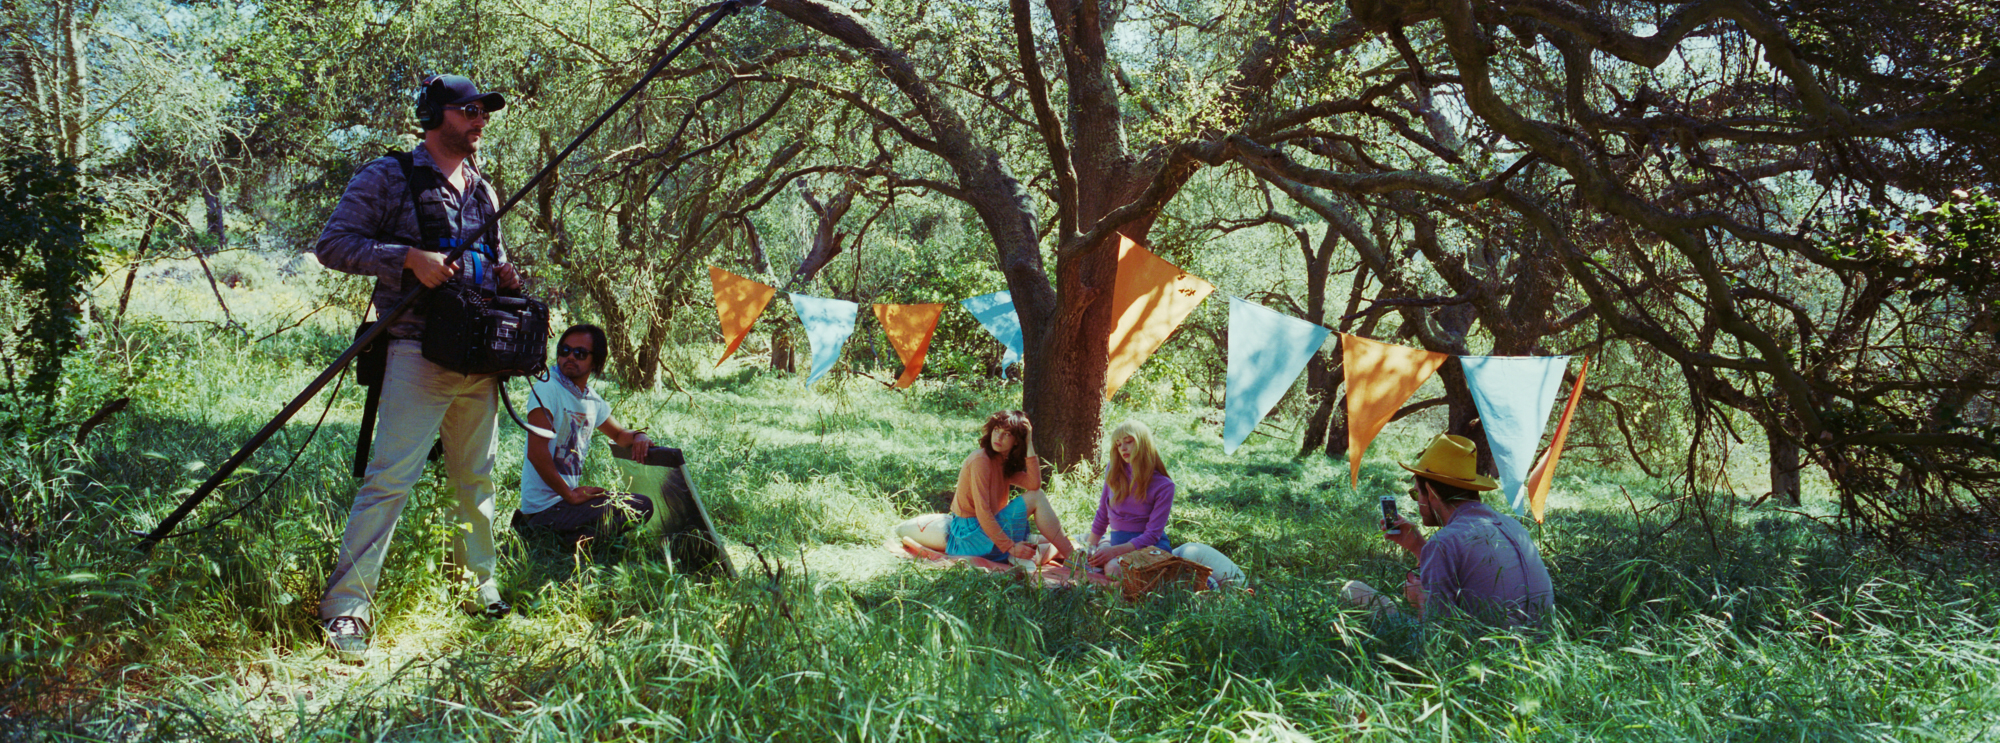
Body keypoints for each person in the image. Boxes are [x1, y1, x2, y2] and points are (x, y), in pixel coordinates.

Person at [313, 74, 521, 662]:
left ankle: (476, 587)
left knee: (476, 479)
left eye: (484, 111)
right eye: (469, 110)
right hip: (415, 351)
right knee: (390, 480)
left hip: (480, 358)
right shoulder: (388, 175)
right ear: (435, 115)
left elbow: (494, 256)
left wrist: (504, 276)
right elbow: (333, 245)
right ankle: (346, 609)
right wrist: (406, 257)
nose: (480, 119)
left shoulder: (483, 189)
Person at [1342, 434, 1553, 627]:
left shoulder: (1445, 542)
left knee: (1352, 590)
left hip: (1480, 652)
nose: (1417, 501)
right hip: (1538, 648)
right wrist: (1418, 546)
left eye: (1416, 494)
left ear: (1431, 492)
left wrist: (1419, 601)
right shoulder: (1514, 526)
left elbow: (1436, 636)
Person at [512, 324, 657, 544]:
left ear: (595, 361)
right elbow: (536, 452)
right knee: (637, 507)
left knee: (640, 505)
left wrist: (639, 436)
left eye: (580, 353)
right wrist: (570, 495)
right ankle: (542, 534)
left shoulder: (591, 399)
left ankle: (566, 540)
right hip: (543, 509)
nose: (570, 357)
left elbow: (619, 434)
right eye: (564, 350)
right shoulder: (547, 388)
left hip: (566, 502)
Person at [1082, 419, 1246, 588]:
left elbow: (1152, 535)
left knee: (1114, 569)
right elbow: (1102, 514)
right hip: (1119, 550)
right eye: (1118, 444)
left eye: (1128, 441)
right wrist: (1088, 549)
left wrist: (1113, 551)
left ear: (1143, 443)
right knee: (1095, 562)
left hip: (1149, 549)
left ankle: (1203, 583)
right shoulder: (1113, 469)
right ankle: (1170, 579)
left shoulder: (1164, 485)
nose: (1122, 448)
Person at [942, 410, 1074, 568]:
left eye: (1007, 434)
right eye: (996, 430)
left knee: (1037, 497)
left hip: (983, 534)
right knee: (1037, 497)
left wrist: (1028, 441)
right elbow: (983, 513)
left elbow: (1034, 484)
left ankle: (1070, 551)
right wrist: (1010, 547)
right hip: (970, 538)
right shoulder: (980, 460)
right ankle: (1073, 557)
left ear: (1017, 441)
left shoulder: (1002, 461)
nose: (998, 437)